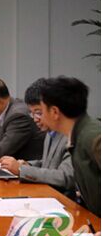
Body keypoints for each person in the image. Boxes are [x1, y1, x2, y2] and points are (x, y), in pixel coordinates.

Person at [0, 78, 74, 194]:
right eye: (31, 113)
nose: (35, 119)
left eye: (38, 113)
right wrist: (27, 164)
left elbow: (65, 177)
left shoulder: (71, 135)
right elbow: (49, 163)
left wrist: (21, 170)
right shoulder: (50, 131)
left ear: (54, 110)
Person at [39, 76, 100, 216]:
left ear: (54, 112)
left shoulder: (93, 137)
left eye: (42, 111)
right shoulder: (77, 134)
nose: (41, 117)